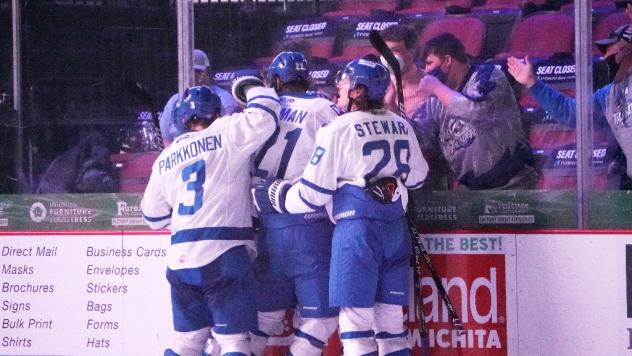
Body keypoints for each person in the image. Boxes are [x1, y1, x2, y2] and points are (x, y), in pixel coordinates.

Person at [254, 59, 429, 355]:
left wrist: (275, 194)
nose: (340, 88)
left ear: (359, 91)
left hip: (357, 233)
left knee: (356, 331)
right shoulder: (402, 125)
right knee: (392, 332)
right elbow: (418, 178)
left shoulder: (338, 128)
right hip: (395, 232)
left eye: (345, 83)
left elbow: (310, 196)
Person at [141, 80, 280, 356]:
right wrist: (250, 86)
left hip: (180, 261)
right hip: (223, 253)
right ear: (216, 112)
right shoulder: (226, 131)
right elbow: (266, 113)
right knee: (234, 342)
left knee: (187, 342)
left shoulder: (166, 158)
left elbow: (153, 216)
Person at [249, 51, 341, 356]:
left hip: (266, 225)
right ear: (308, 78)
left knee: (262, 318)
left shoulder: (261, 111)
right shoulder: (325, 108)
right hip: (310, 223)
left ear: (276, 79)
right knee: (321, 320)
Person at [507, 23, 632, 189]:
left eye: (613, 48)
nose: (607, 55)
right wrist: (532, 83)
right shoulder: (610, 95)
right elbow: (572, 112)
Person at [414, 32, 537, 189]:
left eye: (429, 63)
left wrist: (436, 87)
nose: (426, 71)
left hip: (513, 184)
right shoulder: (435, 100)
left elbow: (477, 112)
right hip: (471, 190)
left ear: (447, 61)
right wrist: (391, 107)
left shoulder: (489, 74)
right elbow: (420, 137)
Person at [160, 49, 240, 143]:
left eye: (197, 71)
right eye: (188, 71)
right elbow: (166, 139)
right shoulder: (173, 101)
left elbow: (228, 138)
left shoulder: (224, 100)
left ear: (208, 72)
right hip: (181, 154)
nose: (192, 75)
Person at [380, 25, 427, 119]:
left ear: (412, 52)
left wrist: (392, 108)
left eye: (396, 51)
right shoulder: (375, 83)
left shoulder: (431, 85)